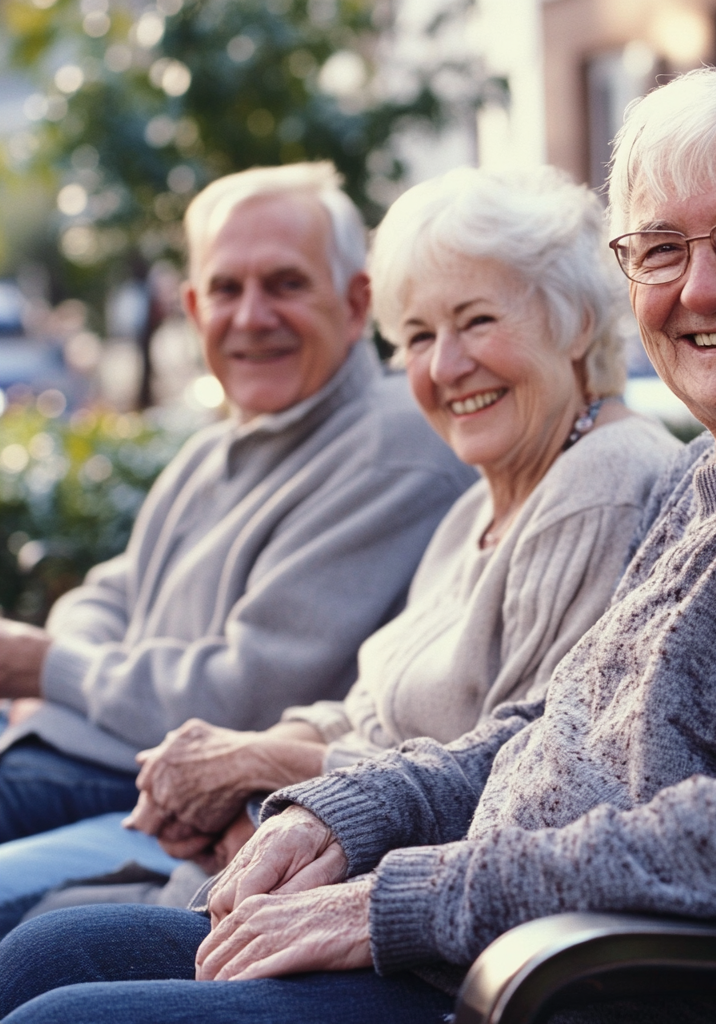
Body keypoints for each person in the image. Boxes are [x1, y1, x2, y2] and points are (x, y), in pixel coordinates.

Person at [4, 65, 716, 1024]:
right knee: (50, 954)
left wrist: (402, 898)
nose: (702, 290)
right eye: (660, 251)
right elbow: (557, 720)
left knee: (67, 1011)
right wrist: (351, 808)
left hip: (577, 984)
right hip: (498, 942)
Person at [0, 165, 679, 931]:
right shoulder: (480, 505)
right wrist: (258, 764)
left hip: (400, 914)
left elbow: (514, 769)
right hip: (290, 846)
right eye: (420, 335)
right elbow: (365, 710)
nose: (446, 367)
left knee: (54, 948)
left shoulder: (602, 483)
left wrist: (260, 767)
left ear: (575, 323)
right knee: (57, 940)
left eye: (479, 322)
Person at [0, 162, 476, 847]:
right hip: (87, 753)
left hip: (168, 797)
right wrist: (67, 673)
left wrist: (47, 670)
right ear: (194, 310)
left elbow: (242, 698)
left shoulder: (396, 446)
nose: (252, 317)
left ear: (354, 304)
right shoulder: (222, 443)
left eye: (285, 284)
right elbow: (109, 597)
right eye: (226, 289)